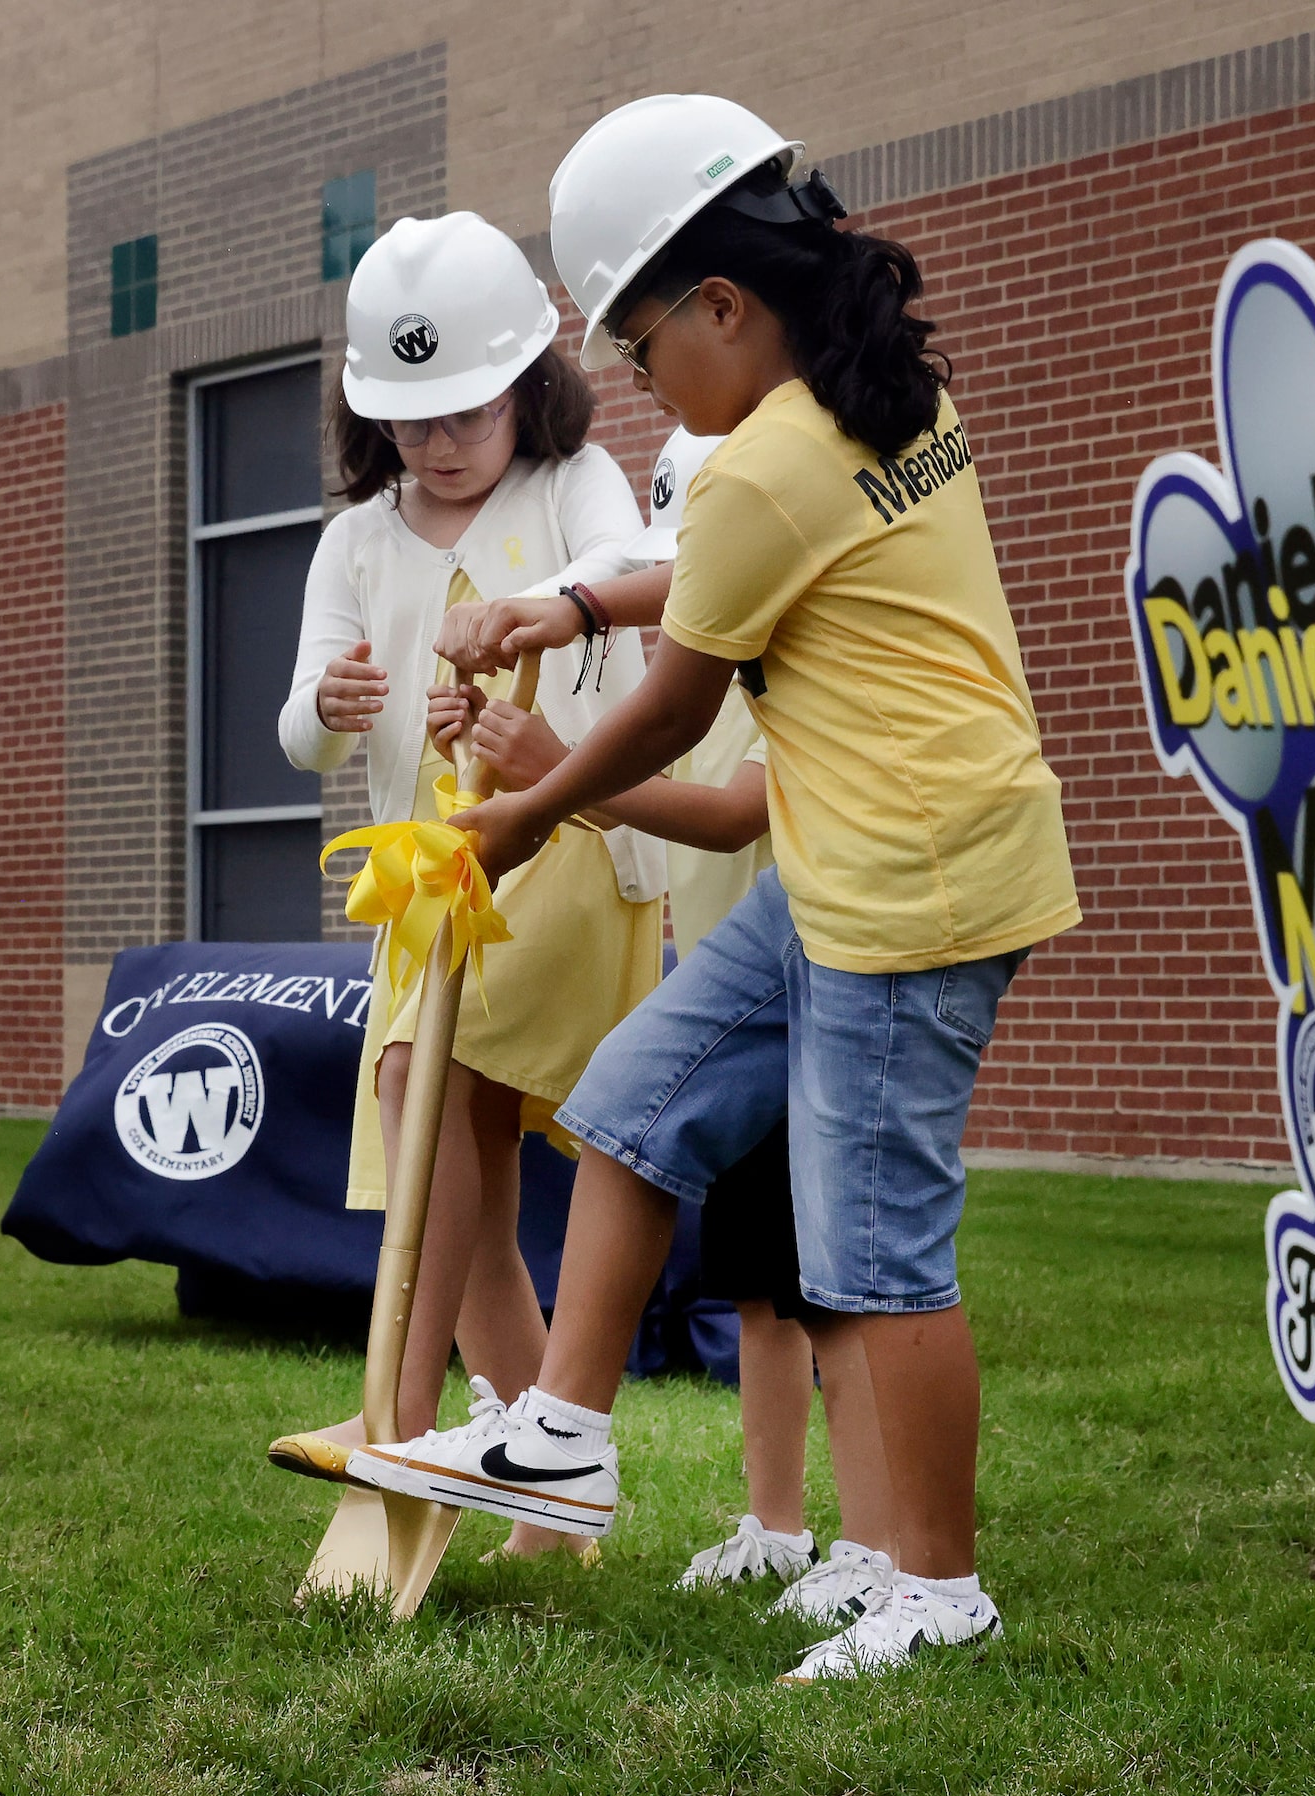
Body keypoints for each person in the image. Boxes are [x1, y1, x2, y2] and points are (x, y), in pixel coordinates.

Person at [345, 95, 1080, 1681]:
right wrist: (567, 600)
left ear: (725, 307)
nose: (629, 380)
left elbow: (675, 701)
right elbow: (711, 561)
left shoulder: (765, 470)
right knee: (633, 1092)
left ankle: (936, 1587)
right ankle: (563, 1435)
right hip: (846, 860)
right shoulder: (880, 393)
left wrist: (523, 818)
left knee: (876, 1251)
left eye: (636, 343)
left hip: (914, 887)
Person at [265, 210, 666, 1563]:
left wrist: (529, 608)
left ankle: (402, 1413)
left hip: (558, 858)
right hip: (417, 889)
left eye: (469, 408)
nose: (441, 442)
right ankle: (544, 1495)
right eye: (410, 416)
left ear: (530, 381)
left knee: (419, 1099)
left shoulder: (573, 485)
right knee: (469, 1191)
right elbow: (301, 734)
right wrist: (328, 700)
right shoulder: (354, 542)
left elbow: (627, 574)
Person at [456, 428, 888, 1609]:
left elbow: (735, 813)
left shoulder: (781, 671)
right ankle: (777, 1522)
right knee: (754, 1282)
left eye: (686, 579)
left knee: (832, 1284)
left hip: (814, 1002)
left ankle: (876, 1548)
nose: (667, 611)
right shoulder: (694, 683)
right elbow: (652, 822)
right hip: (733, 1002)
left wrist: (564, 776)